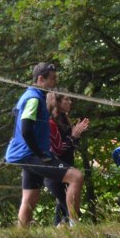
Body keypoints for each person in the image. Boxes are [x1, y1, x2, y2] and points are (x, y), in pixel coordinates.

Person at [5, 63, 85, 227]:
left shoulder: (34, 96)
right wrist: (40, 154)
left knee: (30, 197)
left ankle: (21, 236)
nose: (55, 82)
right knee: (76, 177)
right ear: (41, 79)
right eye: (53, 78)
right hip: (29, 154)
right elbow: (26, 130)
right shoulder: (33, 99)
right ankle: (75, 227)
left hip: (26, 153)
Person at [45, 92, 90, 226]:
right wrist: (73, 136)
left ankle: (60, 232)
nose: (70, 102)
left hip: (67, 166)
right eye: (66, 99)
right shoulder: (51, 122)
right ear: (57, 102)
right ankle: (74, 229)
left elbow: (70, 146)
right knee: (71, 211)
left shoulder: (65, 119)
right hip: (55, 171)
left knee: (63, 211)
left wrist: (77, 134)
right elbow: (57, 149)